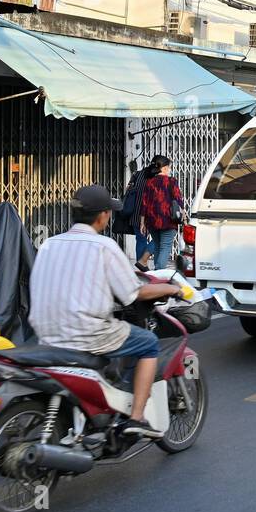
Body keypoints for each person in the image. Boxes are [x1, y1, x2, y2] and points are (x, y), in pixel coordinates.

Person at [29, 185, 185, 438]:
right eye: (109, 212)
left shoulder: (49, 244)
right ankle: (136, 418)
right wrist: (171, 288)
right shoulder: (103, 246)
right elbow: (133, 293)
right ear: (102, 216)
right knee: (147, 343)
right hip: (87, 334)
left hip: (45, 333)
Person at [139, 154, 185, 271]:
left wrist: (142, 222)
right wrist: (183, 215)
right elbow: (179, 200)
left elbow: (144, 203)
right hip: (168, 220)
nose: (170, 170)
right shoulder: (171, 181)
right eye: (169, 167)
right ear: (164, 168)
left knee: (158, 246)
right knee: (165, 246)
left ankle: (157, 272)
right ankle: (159, 271)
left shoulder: (149, 182)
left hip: (152, 221)